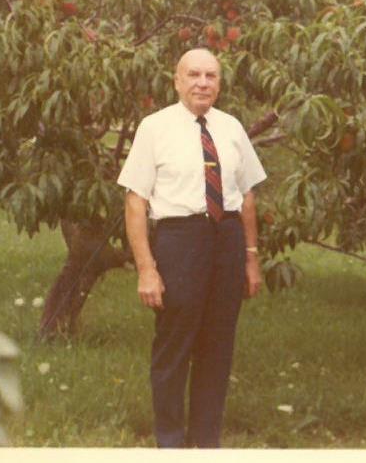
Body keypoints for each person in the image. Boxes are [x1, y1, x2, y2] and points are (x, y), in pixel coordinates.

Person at [118, 48, 266, 448]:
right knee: (174, 343)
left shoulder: (232, 127)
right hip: (180, 239)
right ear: (177, 80)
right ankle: (170, 442)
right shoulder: (154, 128)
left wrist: (251, 258)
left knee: (218, 344)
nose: (203, 83)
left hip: (227, 239)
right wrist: (147, 268)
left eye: (211, 76)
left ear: (220, 82)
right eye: (194, 75)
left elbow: (247, 196)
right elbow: (136, 201)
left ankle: (206, 442)